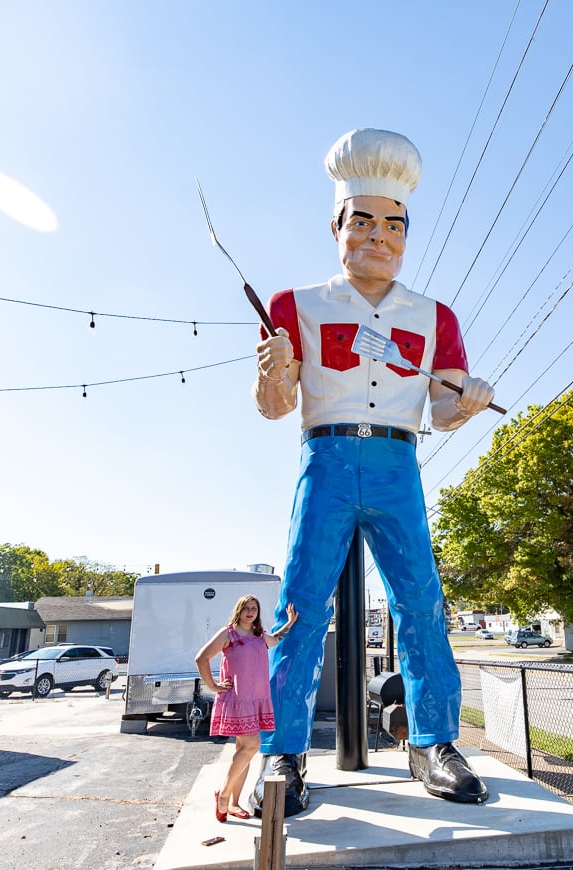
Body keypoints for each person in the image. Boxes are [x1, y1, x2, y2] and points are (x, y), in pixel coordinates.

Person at [249, 127, 497, 816]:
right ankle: (284, 749)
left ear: (407, 233)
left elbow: (443, 407)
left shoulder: (434, 316)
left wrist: (465, 401)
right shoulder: (293, 306)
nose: (380, 238)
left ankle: (434, 740)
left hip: (397, 458)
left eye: (395, 225)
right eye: (364, 222)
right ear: (336, 225)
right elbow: (275, 406)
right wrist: (270, 377)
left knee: (421, 600)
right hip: (325, 455)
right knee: (300, 603)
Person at [195, 595, 296, 821]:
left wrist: (290, 622)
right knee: (252, 745)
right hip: (238, 700)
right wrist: (213, 685)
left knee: (244, 751)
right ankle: (223, 796)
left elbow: (276, 639)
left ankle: (233, 803)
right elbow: (201, 658)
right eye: (246, 608)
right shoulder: (228, 634)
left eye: (254, 609)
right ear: (238, 611)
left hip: (257, 700)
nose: (250, 612)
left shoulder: (259, 636)